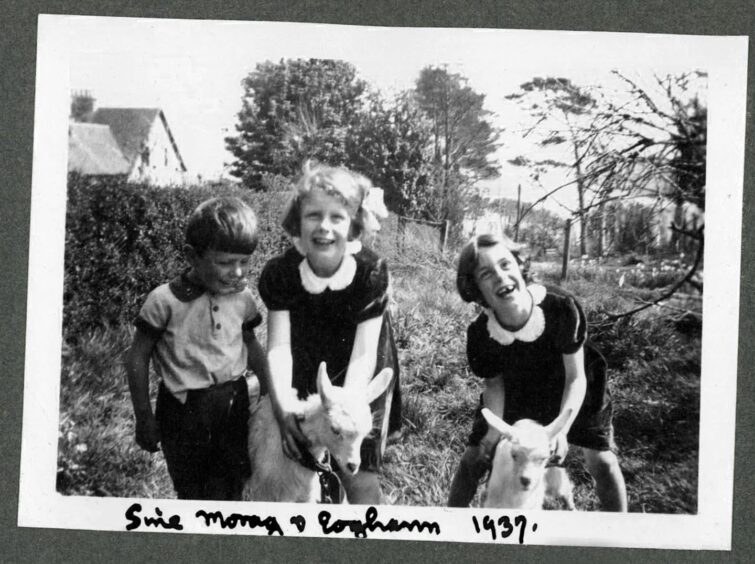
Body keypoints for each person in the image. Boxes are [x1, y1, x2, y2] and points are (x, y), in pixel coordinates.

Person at [447, 233, 627, 511]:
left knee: (601, 461)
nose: (500, 276)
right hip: (520, 390)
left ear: (520, 266)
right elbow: (494, 387)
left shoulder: (561, 308)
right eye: (486, 273)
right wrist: (491, 440)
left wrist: (561, 431)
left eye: (506, 264)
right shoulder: (482, 334)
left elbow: (576, 377)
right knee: (474, 458)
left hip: (575, 387)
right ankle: (447, 524)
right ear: (476, 289)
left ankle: (622, 532)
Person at [258, 161, 401, 504]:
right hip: (307, 368)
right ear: (298, 220)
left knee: (357, 473)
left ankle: (373, 542)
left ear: (353, 224)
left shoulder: (369, 273)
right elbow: (278, 347)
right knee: (304, 458)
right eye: (313, 215)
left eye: (337, 217)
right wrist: (283, 408)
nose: (324, 227)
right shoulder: (282, 273)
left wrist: (344, 411)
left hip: (359, 377)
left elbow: (364, 353)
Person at [125, 196, 269, 501]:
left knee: (232, 484)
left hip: (234, 404)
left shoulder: (242, 299)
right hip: (183, 411)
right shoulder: (164, 301)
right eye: (226, 262)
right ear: (192, 256)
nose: (238, 272)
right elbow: (137, 357)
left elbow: (252, 345)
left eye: (244, 262)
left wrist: (270, 392)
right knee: (191, 489)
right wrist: (144, 417)